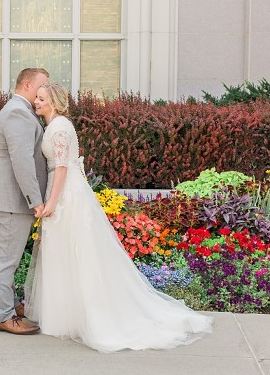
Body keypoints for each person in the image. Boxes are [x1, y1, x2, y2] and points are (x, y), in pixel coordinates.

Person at [25, 82, 213, 353]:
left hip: (66, 194)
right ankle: (62, 317)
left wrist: (52, 202)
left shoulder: (60, 127)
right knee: (61, 252)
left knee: (76, 252)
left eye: (41, 99)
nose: (37, 102)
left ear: (53, 102)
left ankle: (86, 316)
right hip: (62, 189)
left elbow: (63, 167)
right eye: (37, 98)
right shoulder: (54, 126)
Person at [0, 67, 50, 335]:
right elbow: (22, 162)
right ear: (28, 84)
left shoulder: (20, 111)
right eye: (42, 86)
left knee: (9, 259)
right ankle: (3, 316)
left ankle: (10, 306)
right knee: (5, 261)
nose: (45, 91)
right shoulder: (18, 112)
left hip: (12, 201)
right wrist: (35, 200)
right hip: (13, 202)